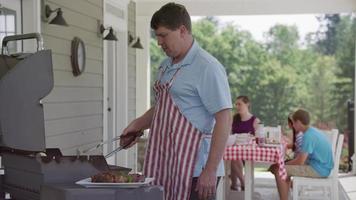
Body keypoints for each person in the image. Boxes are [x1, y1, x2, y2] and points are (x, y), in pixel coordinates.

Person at [120, 3, 232, 200]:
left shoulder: (207, 67)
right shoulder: (165, 66)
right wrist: (137, 125)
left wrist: (210, 170)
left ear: (182, 30)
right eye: (157, 36)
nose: (159, 42)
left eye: (163, 35)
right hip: (167, 165)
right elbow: (164, 107)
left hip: (197, 170)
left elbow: (224, 118)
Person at [270, 109, 334, 200]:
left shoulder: (308, 136)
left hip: (319, 170)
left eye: (294, 122)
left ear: (298, 122)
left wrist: (283, 164)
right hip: (322, 167)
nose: (293, 125)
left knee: (278, 169)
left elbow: (300, 161)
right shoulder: (312, 131)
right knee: (280, 168)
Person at [229, 95, 260, 191]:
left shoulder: (255, 120)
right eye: (236, 104)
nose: (237, 106)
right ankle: (242, 183)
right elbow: (228, 135)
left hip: (249, 152)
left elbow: (258, 138)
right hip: (235, 150)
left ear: (247, 104)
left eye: (240, 104)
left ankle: (237, 184)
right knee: (233, 156)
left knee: (233, 157)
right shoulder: (234, 119)